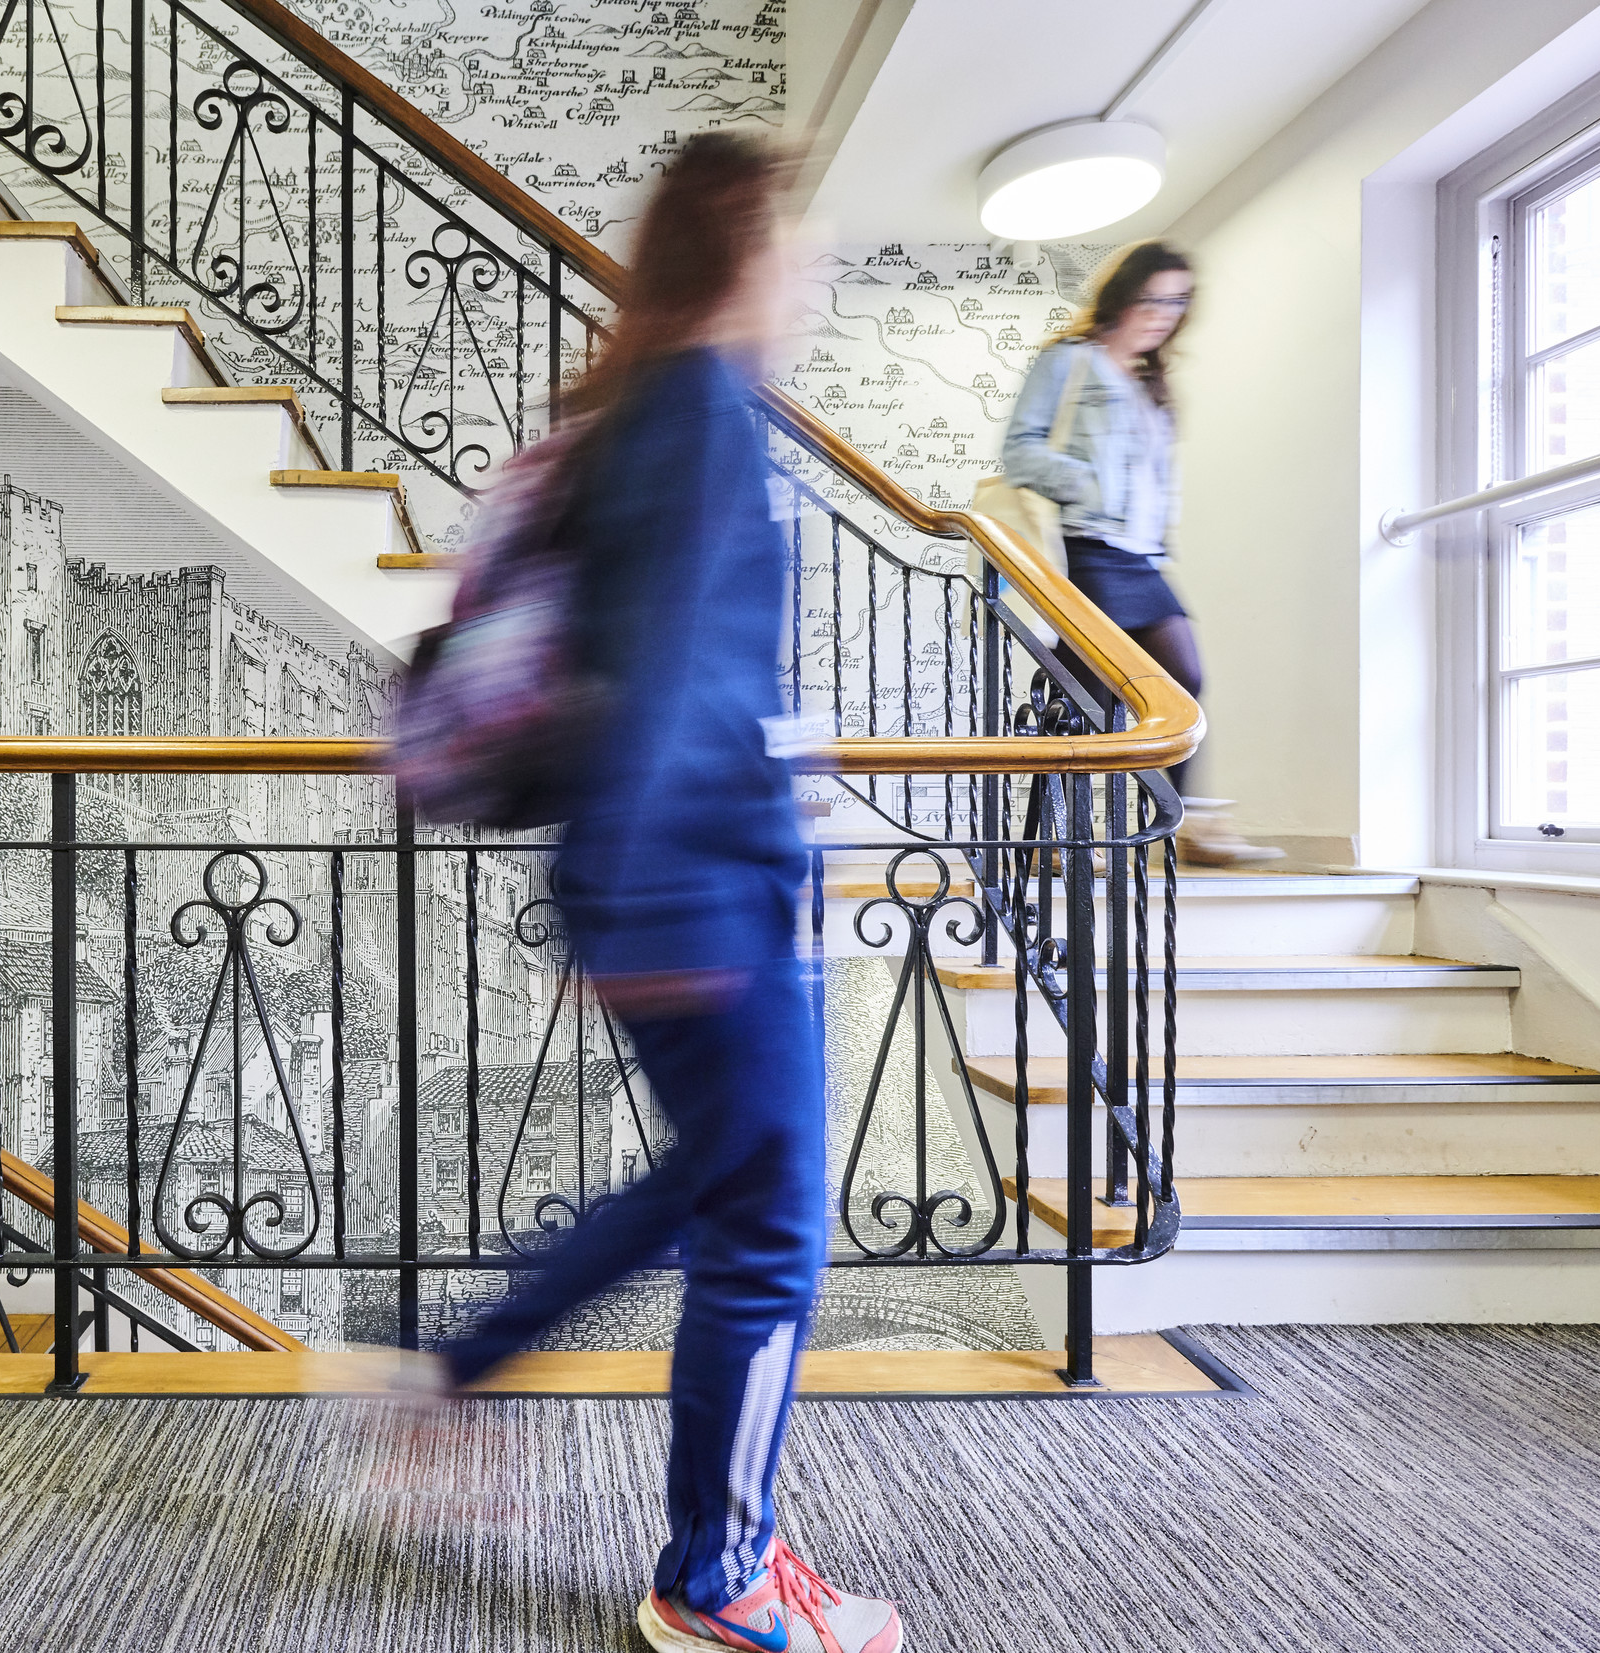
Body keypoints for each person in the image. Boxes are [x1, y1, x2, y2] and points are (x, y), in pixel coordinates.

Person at [424, 134, 904, 1653]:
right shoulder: (697, 407)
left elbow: (677, 664)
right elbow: (674, 675)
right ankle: (719, 1578)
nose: (809, 271)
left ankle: (470, 1369)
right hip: (701, 886)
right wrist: (643, 891)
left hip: (682, 871)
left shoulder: (645, 407)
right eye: (794, 243)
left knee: (712, 1187)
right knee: (762, 1229)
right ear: (738, 248)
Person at [999, 241, 1281, 866]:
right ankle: (1063, 837)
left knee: (1177, 680)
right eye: (1152, 298)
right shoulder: (1071, 362)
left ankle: (1180, 822)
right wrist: (1084, 484)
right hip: (1086, 546)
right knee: (1087, 694)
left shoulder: (1152, 382)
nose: (1163, 313)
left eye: (1178, 301)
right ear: (1123, 295)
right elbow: (1018, 451)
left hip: (1141, 556)